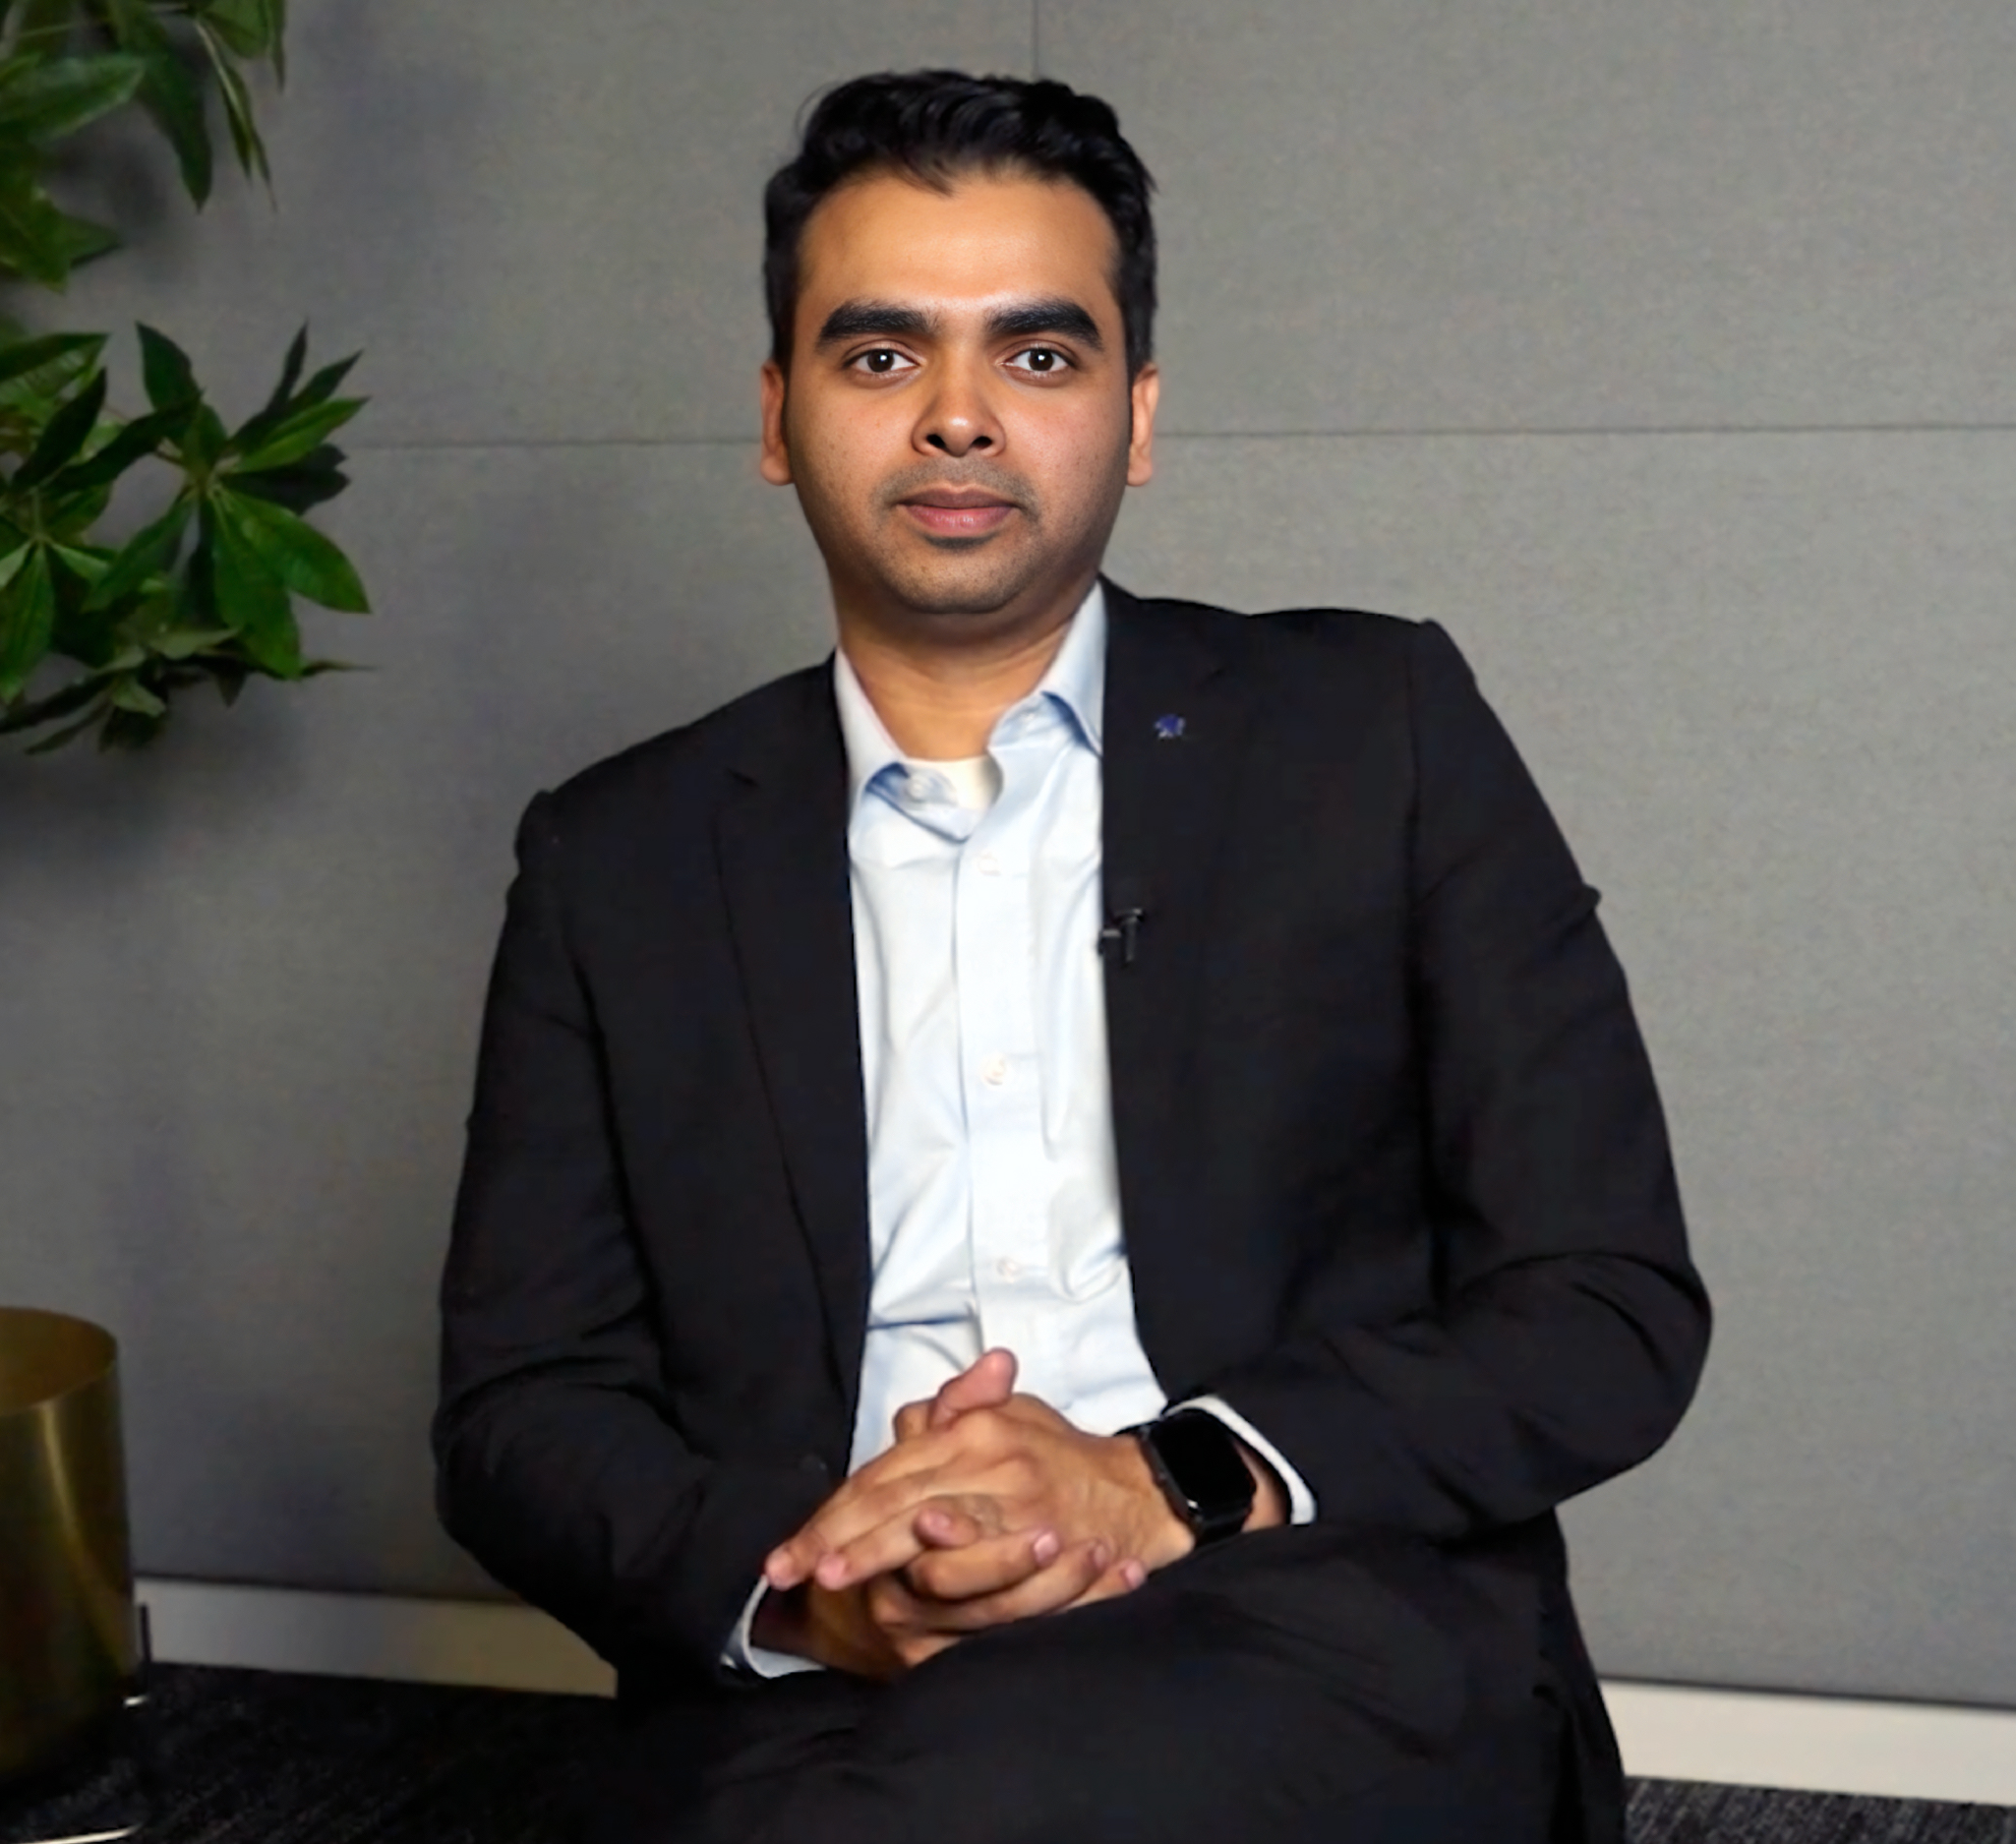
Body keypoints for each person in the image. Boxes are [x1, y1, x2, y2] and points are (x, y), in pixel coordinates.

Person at [434, 69, 1710, 1844]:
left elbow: (1603, 1305)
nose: (958, 417)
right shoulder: (618, 852)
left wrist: (1147, 1480)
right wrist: (811, 1594)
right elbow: (521, 1412)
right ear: (777, 416)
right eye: (880, 357)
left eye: (1037, 356)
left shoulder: (1374, 730)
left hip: (1300, 1604)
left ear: (1136, 415)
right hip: (820, 1663)